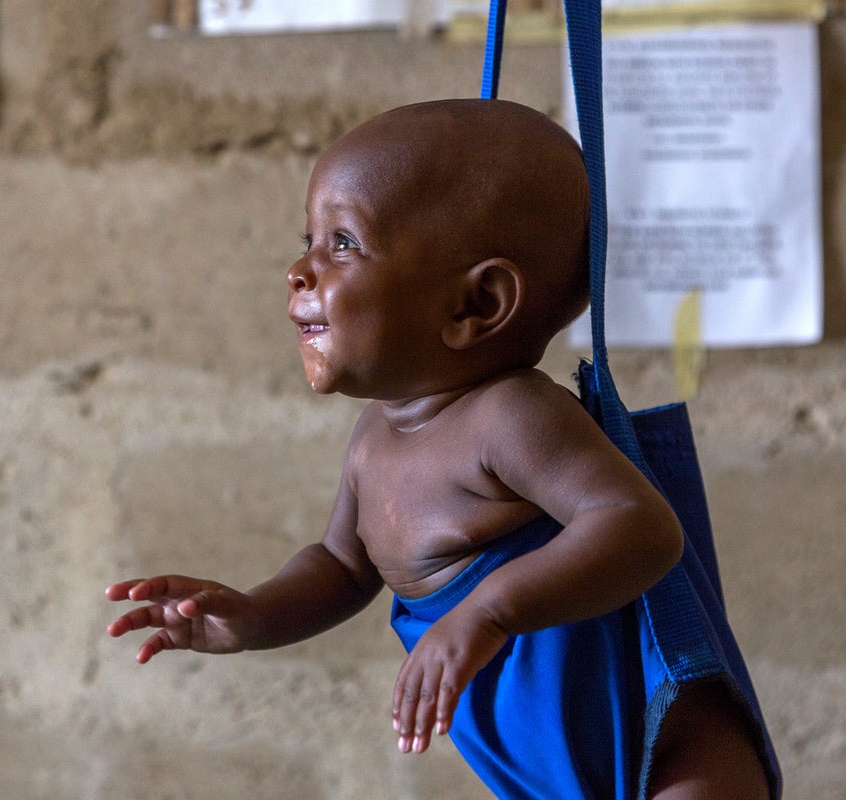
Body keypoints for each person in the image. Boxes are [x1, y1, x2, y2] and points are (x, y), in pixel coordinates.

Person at [106, 99, 776, 800]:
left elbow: (641, 527)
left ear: (475, 305)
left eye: (342, 244)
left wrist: (489, 611)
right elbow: (340, 566)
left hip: (668, 751)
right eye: (308, 239)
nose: (299, 270)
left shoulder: (511, 416)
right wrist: (253, 614)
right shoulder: (375, 438)